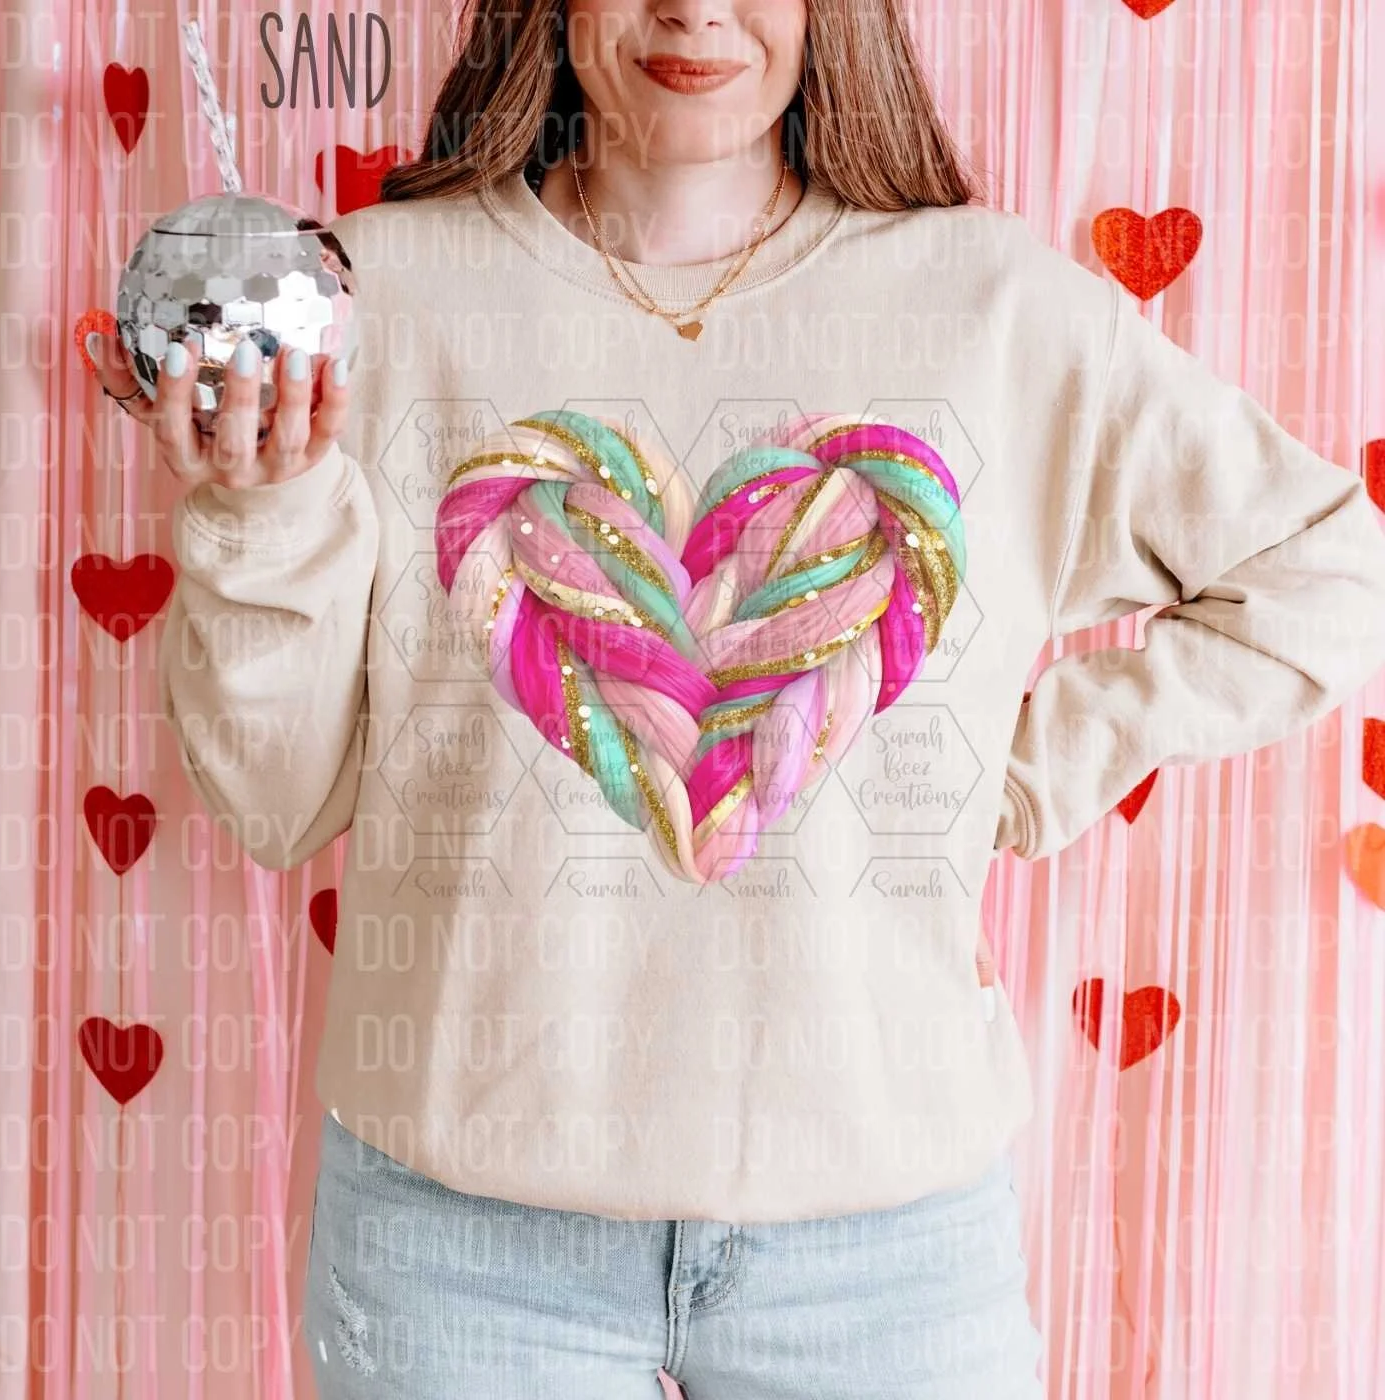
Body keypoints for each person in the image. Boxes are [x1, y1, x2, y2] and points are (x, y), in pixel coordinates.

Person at [86, 1, 1385, 1395]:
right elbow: (281, 806)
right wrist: (257, 518)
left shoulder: (994, 310)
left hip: (886, 1254)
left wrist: (1024, 771)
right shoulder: (367, 301)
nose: (693, 10)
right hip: (456, 1246)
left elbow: (1328, 570)